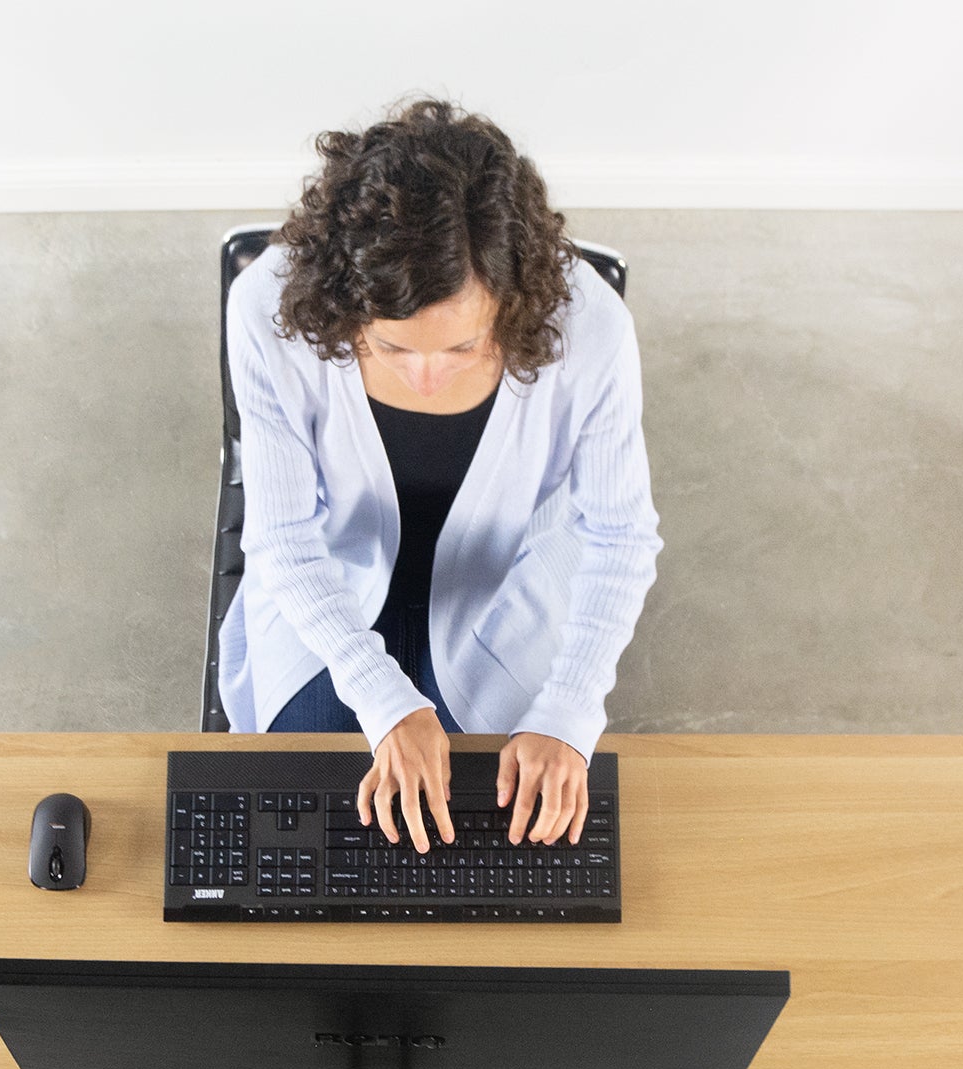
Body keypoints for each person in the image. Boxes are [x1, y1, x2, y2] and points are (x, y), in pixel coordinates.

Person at [215, 99, 661, 854]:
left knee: (501, 835)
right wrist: (386, 700)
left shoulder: (589, 328)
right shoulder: (268, 309)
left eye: (459, 349)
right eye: (391, 349)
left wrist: (567, 713)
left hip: (507, 585)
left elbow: (619, 537)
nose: (424, 379)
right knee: (308, 828)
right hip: (330, 583)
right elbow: (286, 539)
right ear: (343, 309)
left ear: (513, 303)